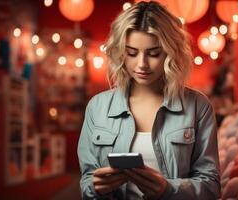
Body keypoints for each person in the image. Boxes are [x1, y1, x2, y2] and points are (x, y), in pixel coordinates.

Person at [77, 1, 220, 199]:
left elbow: (211, 187)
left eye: (154, 53)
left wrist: (168, 190)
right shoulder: (97, 107)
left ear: (170, 52)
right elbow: (86, 183)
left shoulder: (197, 106)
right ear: (120, 52)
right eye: (132, 53)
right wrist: (96, 187)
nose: (142, 64)